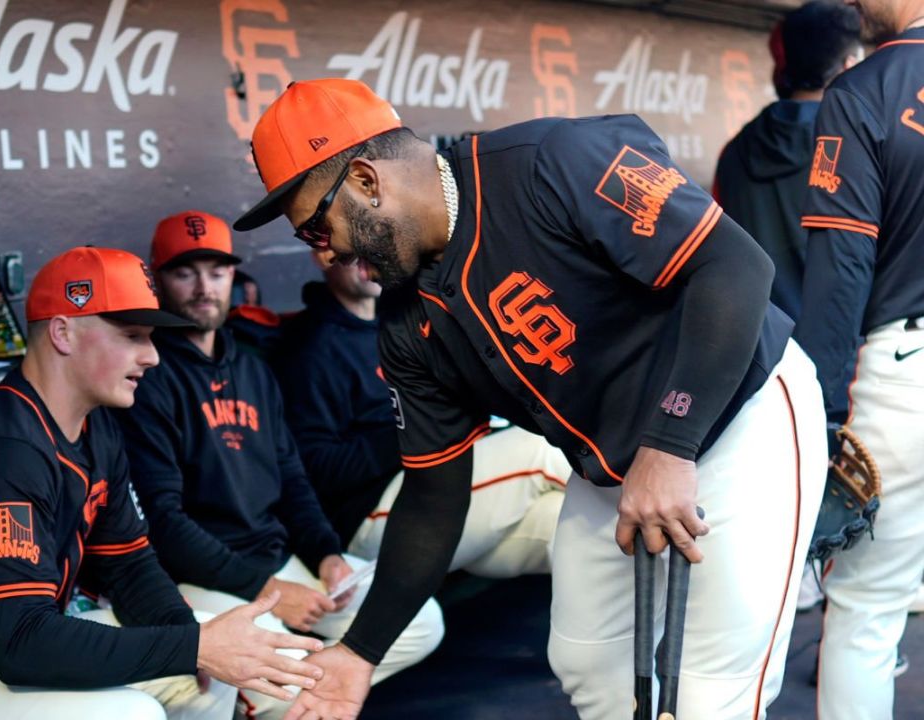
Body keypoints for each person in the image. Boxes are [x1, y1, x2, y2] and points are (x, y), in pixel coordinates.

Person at [232, 78, 827, 720]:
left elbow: (735, 266)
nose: (325, 252)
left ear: (366, 181)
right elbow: (433, 498)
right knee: (588, 663)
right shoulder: (404, 325)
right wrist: (359, 652)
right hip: (615, 463)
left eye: (316, 227)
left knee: (711, 695)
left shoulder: (551, 161)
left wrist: (669, 445)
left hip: (740, 409)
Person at [0, 246, 326, 720]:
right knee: (132, 711)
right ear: (64, 333)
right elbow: (23, 644)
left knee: (217, 669)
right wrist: (193, 646)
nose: (152, 355)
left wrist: (194, 644)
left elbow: (130, 566)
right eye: (132, 335)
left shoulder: (96, 424)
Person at [116, 210, 444, 720]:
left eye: (216, 270)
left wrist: (326, 555)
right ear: (158, 281)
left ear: (233, 277)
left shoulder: (251, 367)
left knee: (421, 621)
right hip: (205, 579)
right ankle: (287, 690)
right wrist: (267, 591)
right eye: (185, 272)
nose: (204, 287)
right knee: (293, 686)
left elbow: (292, 479)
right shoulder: (147, 378)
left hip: (278, 560)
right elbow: (163, 523)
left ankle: (296, 686)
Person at [274, 251, 570, 578]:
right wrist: (420, 429)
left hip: (440, 489)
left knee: (571, 530)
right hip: (371, 515)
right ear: (324, 256)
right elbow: (314, 468)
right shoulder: (309, 348)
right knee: (543, 451)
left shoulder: (400, 320)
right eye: (348, 243)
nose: (363, 254)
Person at [791, 0, 924, 716]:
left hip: (904, 375)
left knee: (867, 610)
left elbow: (840, 274)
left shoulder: (865, 87)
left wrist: (821, 416)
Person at [714, 0, 863, 321]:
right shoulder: (857, 144)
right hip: (843, 351)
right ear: (850, 66)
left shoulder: (734, 151)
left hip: (761, 348)